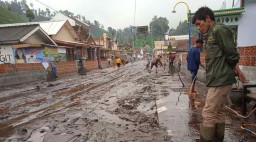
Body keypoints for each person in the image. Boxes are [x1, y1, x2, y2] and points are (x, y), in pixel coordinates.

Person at [192, 7, 248, 141]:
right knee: (218, 112)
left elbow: (232, 54)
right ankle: (218, 138)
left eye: (199, 24)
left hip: (220, 80)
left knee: (208, 112)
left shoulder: (219, 30)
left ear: (207, 18)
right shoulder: (212, 34)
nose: (199, 28)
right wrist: (237, 70)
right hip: (218, 80)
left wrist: (237, 70)